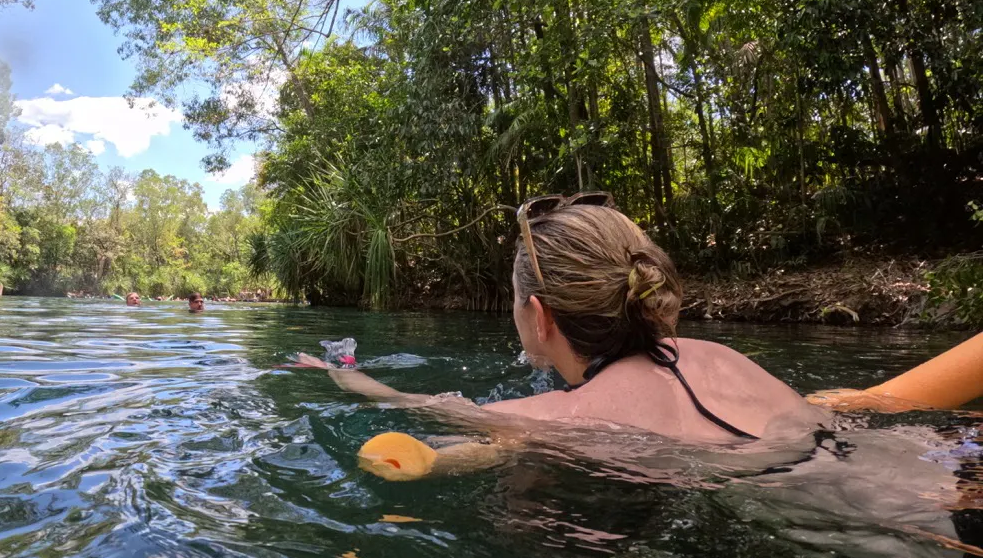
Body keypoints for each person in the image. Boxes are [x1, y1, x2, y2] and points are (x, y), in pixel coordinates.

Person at [300, 194, 820, 445]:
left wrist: (341, 371)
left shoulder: (553, 417)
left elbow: (414, 404)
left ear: (538, 316)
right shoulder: (725, 359)